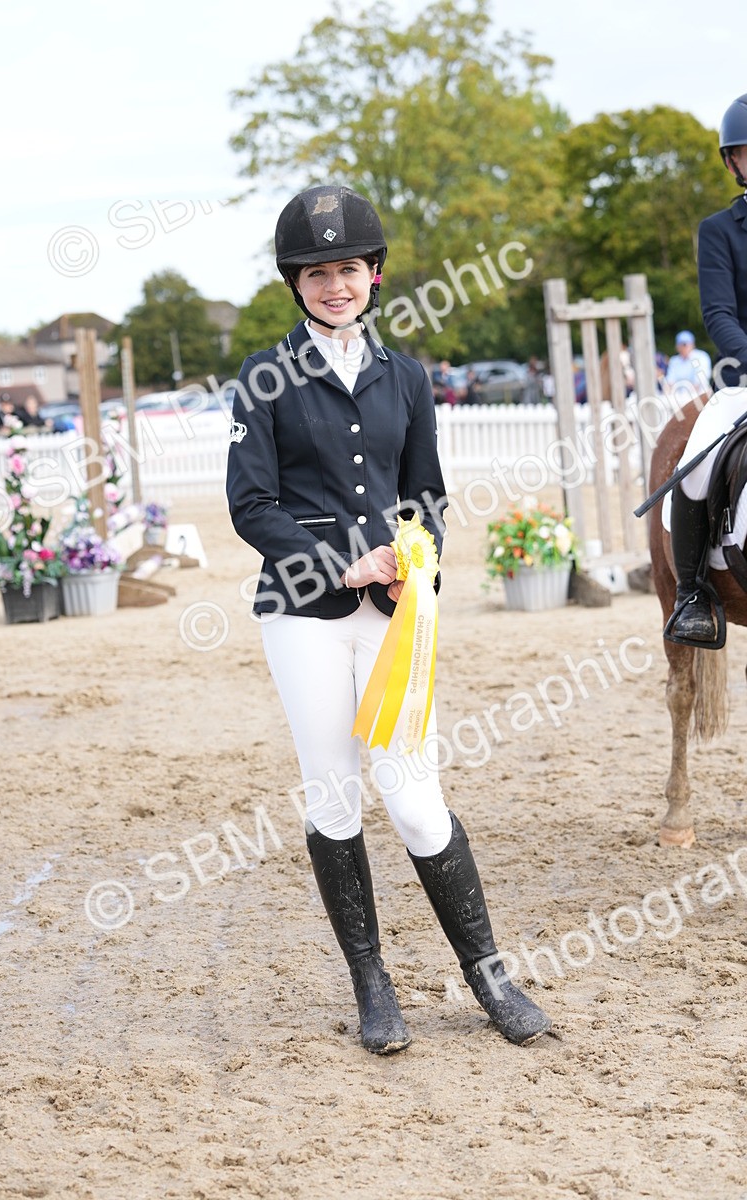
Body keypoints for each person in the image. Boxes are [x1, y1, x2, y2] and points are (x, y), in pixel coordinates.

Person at [226, 184, 552, 1055]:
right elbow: (251, 506)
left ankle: (491, 979)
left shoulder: (405, 376)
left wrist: (419, 556)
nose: (337, 284)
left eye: (350, 269)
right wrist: (342, 562)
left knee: (413, 798)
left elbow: (426, 494)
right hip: (303, 613)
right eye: (318, 272)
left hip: (397, 613)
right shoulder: (264, 379)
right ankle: (374, 987)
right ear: (296, 281)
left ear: (374, 275)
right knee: (334, 794)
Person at [664, 93, 747, 646]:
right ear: (732, 162)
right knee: (699, 460)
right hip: (743, 377)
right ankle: (694, 592)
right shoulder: (719, 230)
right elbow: (718, 312)